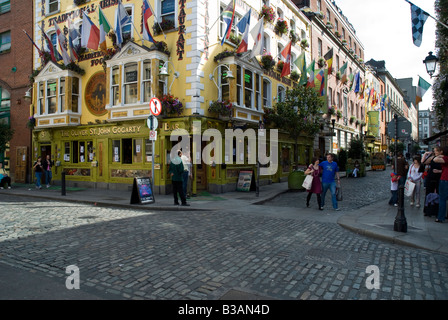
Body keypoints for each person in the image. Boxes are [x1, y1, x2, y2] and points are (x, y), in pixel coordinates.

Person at [422, 148, 442, 216]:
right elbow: (423, 162)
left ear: (440, 151)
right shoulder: (432, 158)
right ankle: (427, 209)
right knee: (428, 192)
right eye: (434, 151)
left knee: (438, 193)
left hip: (439, 177)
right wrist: (425, 154)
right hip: (430, 177)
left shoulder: (442, 158)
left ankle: (436, 209)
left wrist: (439, 171)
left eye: (436, 151)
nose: (435, 152)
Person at [432, 146, 448, 223]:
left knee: (442, 199)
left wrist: (439, 155)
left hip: (445, 179)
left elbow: (435, 159)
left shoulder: (446, 158)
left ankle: (441, 217)